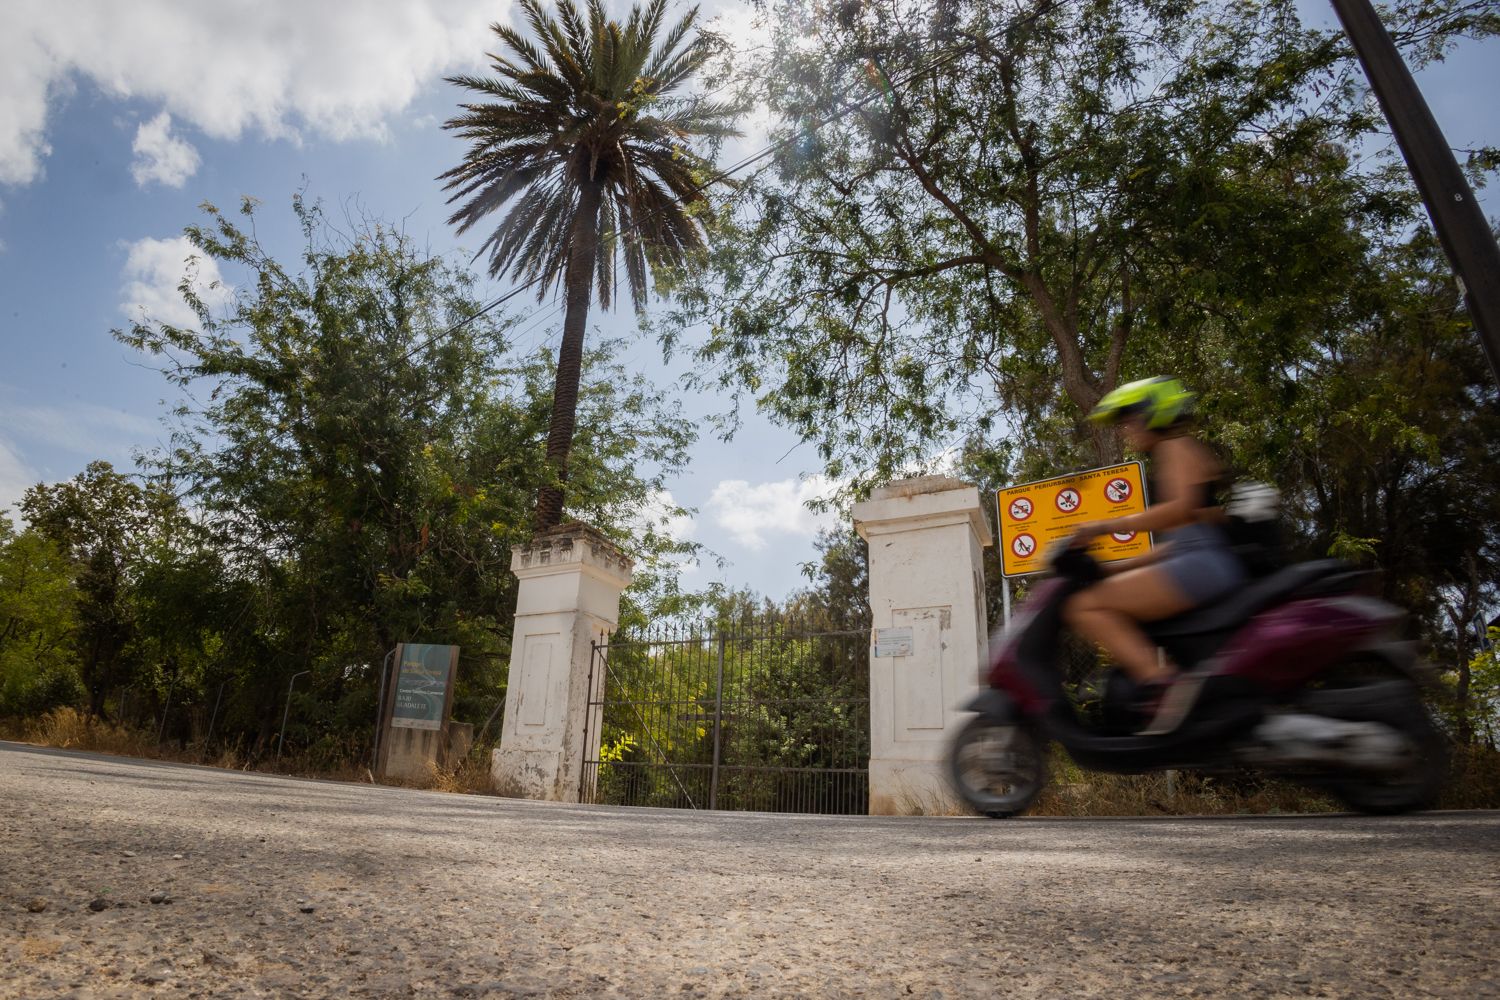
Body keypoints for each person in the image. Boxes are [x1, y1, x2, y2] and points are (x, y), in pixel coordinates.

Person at [1062, 376, 1246, 734]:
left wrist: (1103, 526)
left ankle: (1162, 685)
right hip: (1202, 560)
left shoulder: (1175, 447)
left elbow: (1178, 511)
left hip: (1203, 564)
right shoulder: (1186, 450)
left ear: (1153, 414)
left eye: (1131, 419)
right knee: (1101, 596)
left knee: (1084, 606)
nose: (1126, 429)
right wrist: (1113, 568)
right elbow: (1180, 539)